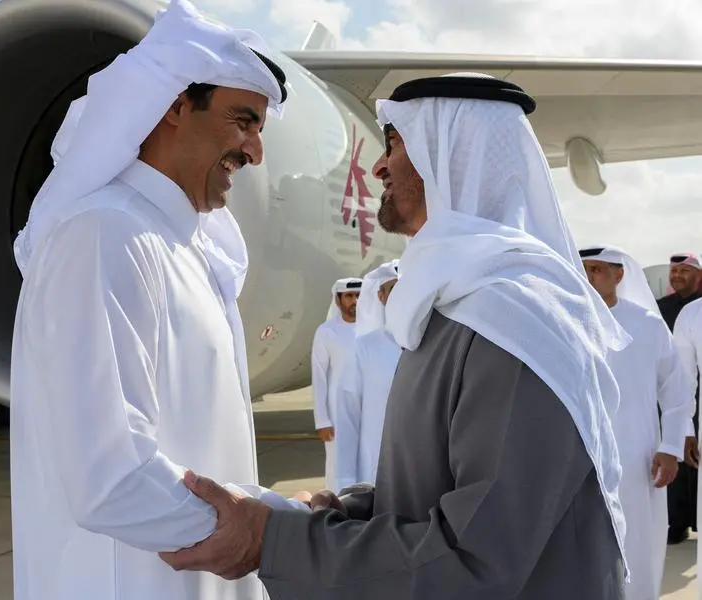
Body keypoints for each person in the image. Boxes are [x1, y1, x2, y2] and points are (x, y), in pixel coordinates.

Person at [158, 73, 633, 599]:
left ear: (450, 160)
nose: (378, 166)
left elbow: (476, 557)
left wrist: (273, 540)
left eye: (397, 145)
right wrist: (352, 511)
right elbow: (453, 492)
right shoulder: (458, 306)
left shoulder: (516, 322)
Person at [6, 1, 299, 599]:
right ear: (172, 106)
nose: (255, 152)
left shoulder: (185, 248)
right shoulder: (104, 236)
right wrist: (259, 533)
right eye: (242, 121)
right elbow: (109, 476)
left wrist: (274, 517)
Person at [581, 244, 695, 600]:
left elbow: (676, 392)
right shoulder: (566, 320)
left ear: (619, 275)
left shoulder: (647, 324)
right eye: (583, 268)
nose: (588, 276)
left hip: (637, 456)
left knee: (638, 540)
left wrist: (671, 447)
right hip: (581, 456)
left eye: (597, 270)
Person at [333, 262, 402, 491]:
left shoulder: (435, 343)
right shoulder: (365, 348)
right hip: (374, 474)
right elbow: (347, 416)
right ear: (381, 296)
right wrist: (345, 481)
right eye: (394, 290)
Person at [658, 252, 702, 543]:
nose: (676, 276)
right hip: (678, 394)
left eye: (683, 271)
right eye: (674, 271)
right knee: (678, 453)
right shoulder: (663, 308)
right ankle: (677, 523)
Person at [310, 277, 362, 490]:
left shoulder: (375, 328)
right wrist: (322, 420)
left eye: (358, 295)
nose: (355, 301)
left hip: (370, 408)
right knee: (340, 465)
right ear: (338, 300)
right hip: (338, 411)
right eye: (349, 296)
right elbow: (319, 376)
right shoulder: (326, 332)